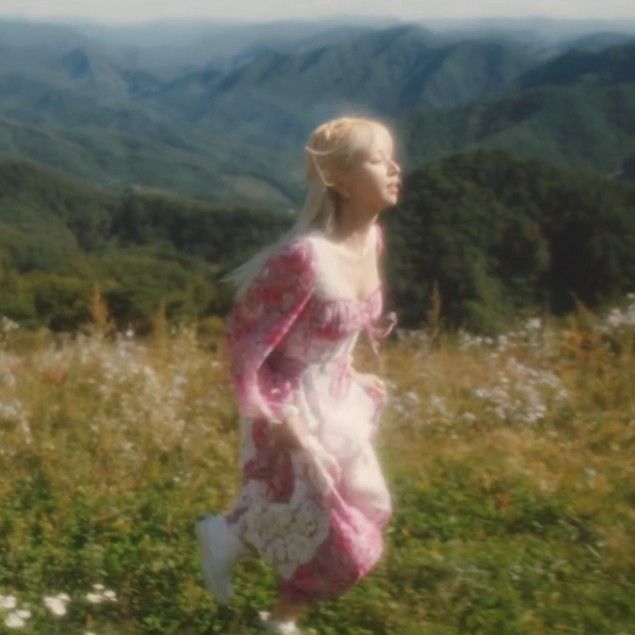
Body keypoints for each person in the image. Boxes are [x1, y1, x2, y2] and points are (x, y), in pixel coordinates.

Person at [196, 115, 402, 634]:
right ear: (341, 180)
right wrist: (272, 415)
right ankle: (275, 612)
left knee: (332, 512)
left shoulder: (373, 240)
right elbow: (247, 343)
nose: (395, 169)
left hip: (339, 406)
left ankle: (234, 546)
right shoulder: (304, 258)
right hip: (292, 407)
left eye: (392, 158)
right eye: (378, 160)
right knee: (342, 538)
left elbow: (332, 333)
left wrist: (353, 372)